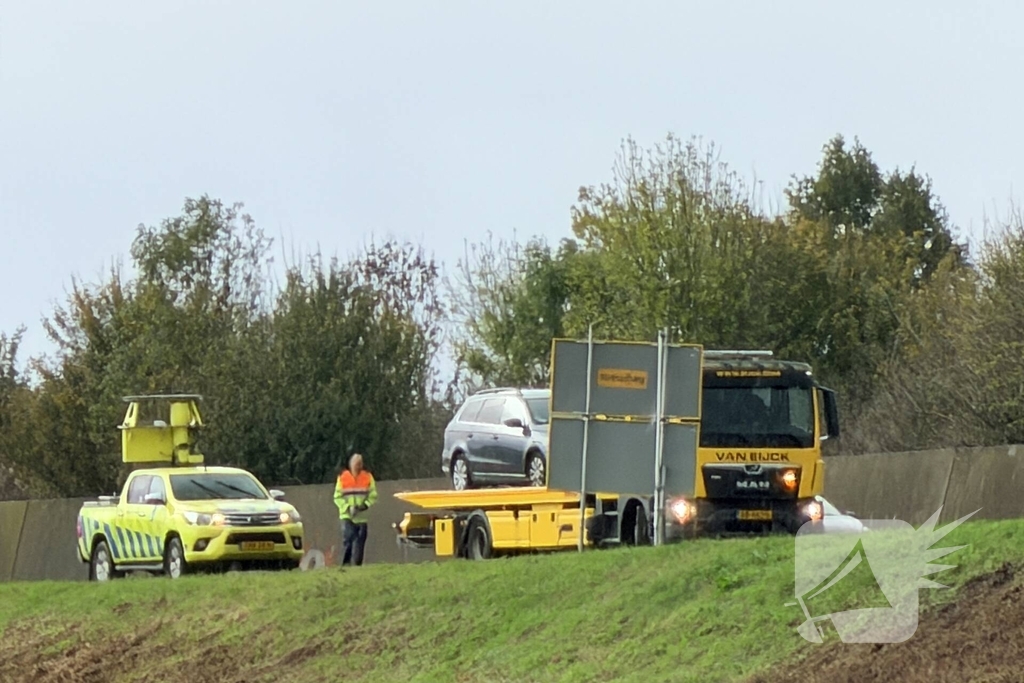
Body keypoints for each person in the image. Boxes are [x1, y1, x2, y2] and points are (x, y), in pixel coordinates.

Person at [333, 452, 378, 566]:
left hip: (361, 517)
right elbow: (337, 497)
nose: (358, 466)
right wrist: (347, 508)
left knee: (360, 542)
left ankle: (357, 564)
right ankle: (346, 564)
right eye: (356, 463)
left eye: (360, 463)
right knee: (348, 539)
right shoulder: (343, 478)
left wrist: (364, 506)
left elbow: (373, 495)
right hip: (347, 515)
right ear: (351, 464)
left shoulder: (367, 477)